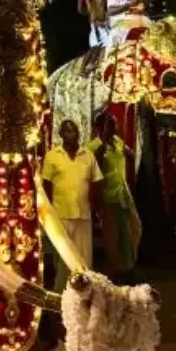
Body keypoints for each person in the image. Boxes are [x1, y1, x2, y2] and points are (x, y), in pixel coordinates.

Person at [41, 120, 104, 289]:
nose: (73, 134)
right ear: (61, 134)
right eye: (68, 131)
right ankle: (62, 294)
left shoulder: (88, 155)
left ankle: (85, 293)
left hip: (83, 215)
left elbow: (98, 180)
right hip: (60, 216)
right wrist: (49, 212)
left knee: (84, 258)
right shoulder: (52, 156)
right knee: (63, 260)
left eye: (75, 131)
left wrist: (93, 201)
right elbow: (46, 184)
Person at [88, 112, 141, 281]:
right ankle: (117, 271)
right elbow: (94, 168)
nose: (115, 126)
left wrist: (128, 153)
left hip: (122, 194)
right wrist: (102, 142)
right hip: (107, 196)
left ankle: (128, 267)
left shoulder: (118, 141)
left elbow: (131, 155)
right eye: (111, 124)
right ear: (101, 127)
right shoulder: (93, 146)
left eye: (115, 123)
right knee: (112, 236)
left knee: (131, 230)